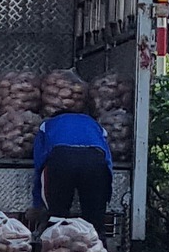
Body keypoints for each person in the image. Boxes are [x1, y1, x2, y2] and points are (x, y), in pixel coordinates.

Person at [33, 97, 113, 233]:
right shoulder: (94, 124)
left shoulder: (47, 124)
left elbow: (40, 161)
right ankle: (98, 250)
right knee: (95, 220)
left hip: (62, 159)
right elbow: (107, 157)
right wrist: (106, 190)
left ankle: (56, 249)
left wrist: (38, 202)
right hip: (95, 161)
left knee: (57, 217)